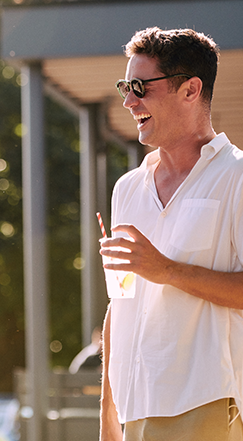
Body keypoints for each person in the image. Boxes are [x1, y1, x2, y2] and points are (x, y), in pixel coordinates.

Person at [99, 27, 243, 441]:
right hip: (133, 409)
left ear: (191, 89)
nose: (128, 101)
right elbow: (119, 304)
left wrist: (166, 270)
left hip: (205, 405)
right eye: (126, 86)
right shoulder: (126, 188)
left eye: (140, 86)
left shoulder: (235, 177)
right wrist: (108, 415)